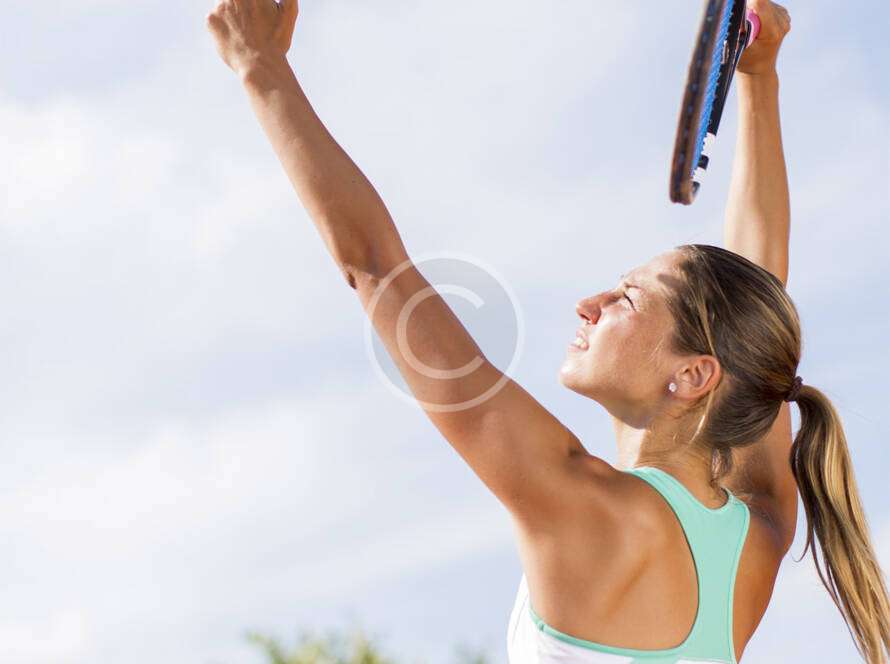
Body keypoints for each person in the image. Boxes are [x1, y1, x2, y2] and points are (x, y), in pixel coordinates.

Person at [206, 1, 890, 661]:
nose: (589, 304)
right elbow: (757, 290)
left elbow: (376, 267)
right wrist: (758, 77)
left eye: (627, 297)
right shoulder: (751, 539)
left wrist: (260, 63)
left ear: (693, 374)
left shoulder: (584, 507)